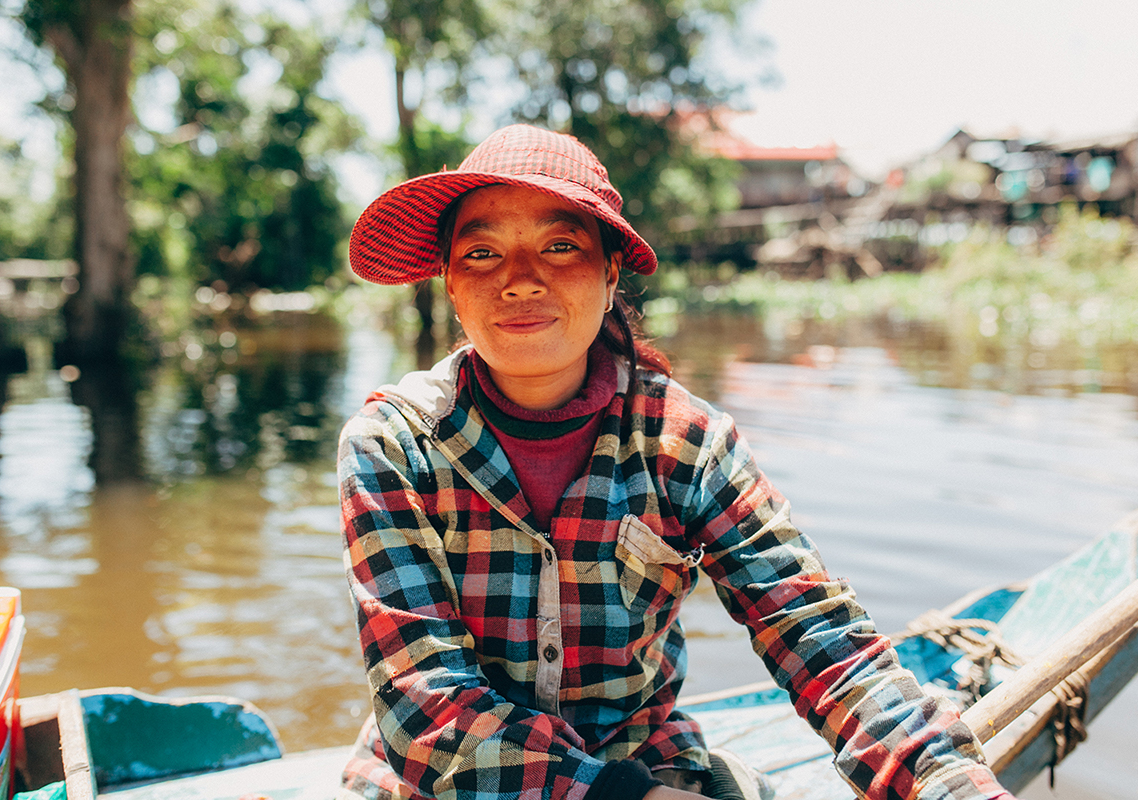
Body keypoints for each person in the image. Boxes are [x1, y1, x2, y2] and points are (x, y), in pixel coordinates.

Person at [337, 124, 1016, 800]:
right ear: (451, 285)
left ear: (609, 274)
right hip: (444, 783)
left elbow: (814, 631)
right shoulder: (394, 445)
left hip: (641, 759)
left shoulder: (685, 443)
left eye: (560, 245)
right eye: (482, 253)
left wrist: (942, 778)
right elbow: (426, 702)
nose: (519, 281)